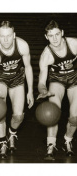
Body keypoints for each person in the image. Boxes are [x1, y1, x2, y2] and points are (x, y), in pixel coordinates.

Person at [0, 21, 34, 159]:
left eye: (8, 36)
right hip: (0, 80)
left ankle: (12, 133)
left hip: (17, 79)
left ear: (14, 35)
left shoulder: (23, 45)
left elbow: (28, 68)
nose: (6, 40)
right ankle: (3, 142)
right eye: (2, 36)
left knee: (18, 116)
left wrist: (30, 91)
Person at [37, 20, 77, 160]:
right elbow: (41, 82)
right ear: (46, 37)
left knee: (75, 116)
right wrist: (43, 91)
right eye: (51, 35)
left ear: (62, 33)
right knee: (52, 112)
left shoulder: (74, 44)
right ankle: (51, 144)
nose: (55, 38)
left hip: (74, 78)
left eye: (57, 34)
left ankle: (68, 139)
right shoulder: (46, 55)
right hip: (57, 81)